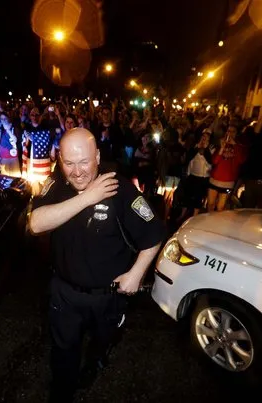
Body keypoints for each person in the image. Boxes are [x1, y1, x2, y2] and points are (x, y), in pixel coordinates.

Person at [28, 128, 165, 402]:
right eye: (69, 163)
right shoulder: (56, 183)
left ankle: (96, 361)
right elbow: (35, 224)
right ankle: (62, 393)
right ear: (60, 160)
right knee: (63, 352)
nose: (77, 172)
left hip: (108, 296)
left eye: (84, 162)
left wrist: (136, 274)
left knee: (103, 341)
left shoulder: (120, 188)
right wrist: (87, 197)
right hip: (64, 293)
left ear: (98, 156)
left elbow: (154, 234)